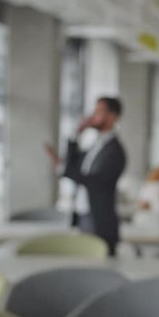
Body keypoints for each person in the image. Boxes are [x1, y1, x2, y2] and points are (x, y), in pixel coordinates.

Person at [45, 97, 126, 256]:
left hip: (100, 220)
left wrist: (62, 169)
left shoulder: (115, 152)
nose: (92, 116)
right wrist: (76, 134)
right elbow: (72, 165)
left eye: (98, 112)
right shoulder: (96, 145)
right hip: (82, 214)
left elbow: (94, 181)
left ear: (111, 116)